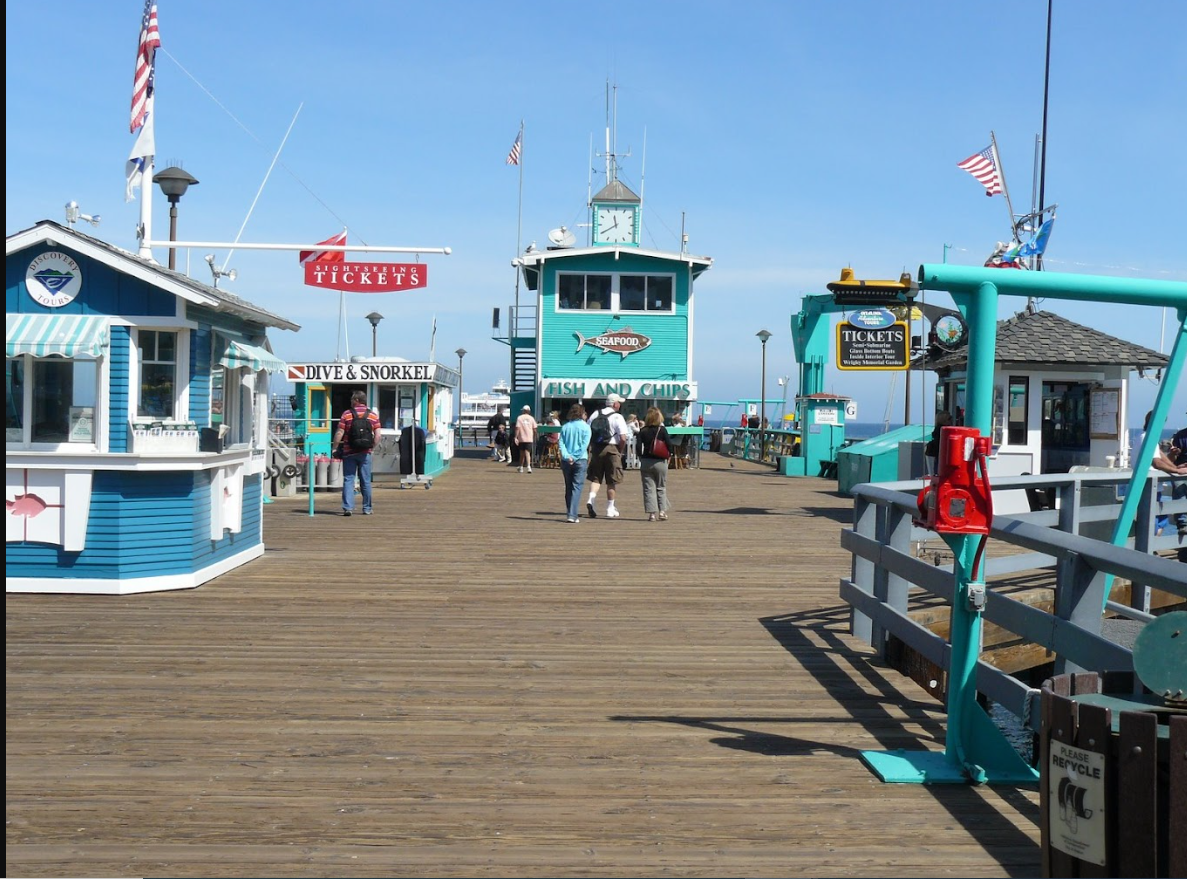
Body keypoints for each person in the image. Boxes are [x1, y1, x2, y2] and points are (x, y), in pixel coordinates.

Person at [332, 390, 381, 517]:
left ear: (357, 400)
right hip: (365, 453)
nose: (351, 401)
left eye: (352, 399)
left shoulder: (347, 414)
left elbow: (339, 433)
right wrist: (371, 447)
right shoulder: (373, 415)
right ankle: (367, 508)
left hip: (349, 453)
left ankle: (348, 508)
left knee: (349, 479)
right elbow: (378, 436)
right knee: (366, 481)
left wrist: (335, 448)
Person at [585, 393, 629, 519]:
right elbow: (623, 438)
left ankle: (591, 499)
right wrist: (620, 450)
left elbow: (588, 431)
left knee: (596, 478)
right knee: (611, 480)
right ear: (615, 404)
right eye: (619, 403)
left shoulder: (595, 414)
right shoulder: (617, 417)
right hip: (612, 448)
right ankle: (610, 508)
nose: (620, 405)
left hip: (597, 448)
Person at [637, 406, 673, 522]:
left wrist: (641, 457)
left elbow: (638, 447)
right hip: (660, 461)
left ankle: (652, 514)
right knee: (661, 487)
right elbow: (669, 445)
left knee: (648, 488)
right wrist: (669, 455)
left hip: (646, 461)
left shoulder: (643, 431)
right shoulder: (662, 430)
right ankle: (662, 512)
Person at [558, 402, 592, 524]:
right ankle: (572, 514)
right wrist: (575, 457)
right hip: (580, 459)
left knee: (568, 487)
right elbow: (584, 445)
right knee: (576, 487)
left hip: (566, 460)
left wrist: (567, 456)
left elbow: (561, 443)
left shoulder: (565, 427)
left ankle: (570, 512)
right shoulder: (586, 427)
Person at [925, 410, 953, 475]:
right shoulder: (943, 431)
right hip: (943, 457)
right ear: (944, 420)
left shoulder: (937, 430)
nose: (951, 421)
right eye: (949, 418)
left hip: (938, 457)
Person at [515, 405, 537, 473]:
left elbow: (517, 428)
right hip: (529, 437)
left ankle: (521, 467)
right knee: (527, 453)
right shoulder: (531, 418)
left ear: (523, 411)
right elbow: (535, 428)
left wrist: (515, 437)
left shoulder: (519, 418)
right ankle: (528, 467)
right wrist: (535, 436)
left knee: (521, 453)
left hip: (521, 437)